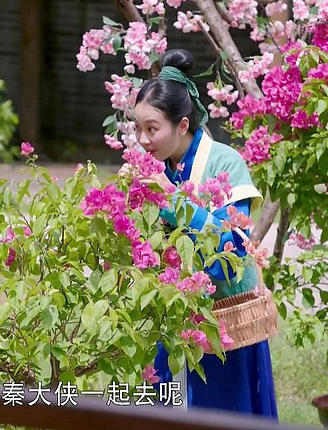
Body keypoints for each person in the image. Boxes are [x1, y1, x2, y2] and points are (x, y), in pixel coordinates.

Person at [130, 49, 278, 418]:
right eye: (138, 129)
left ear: (182, 125)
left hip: (225, 322)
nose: (143, 139)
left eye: (152, 129)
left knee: (224, 416)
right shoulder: (158, 168)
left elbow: (232, 248)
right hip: (172, 315)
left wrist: (171, 199)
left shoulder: (225, 162)